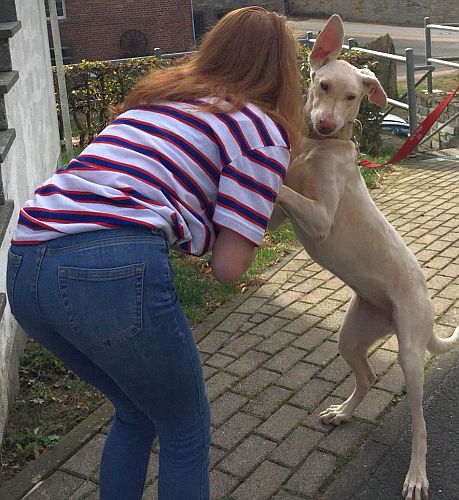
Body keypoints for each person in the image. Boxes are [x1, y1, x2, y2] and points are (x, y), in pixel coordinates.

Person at [6, 6, 303, 500]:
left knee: (136, 411)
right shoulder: (260, 128)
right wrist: (268, 217)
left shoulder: (157, 102)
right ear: (283, 70)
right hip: (108, 266)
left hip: (25, 262)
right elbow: (229, 268)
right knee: (185, 428)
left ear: (214, 49)